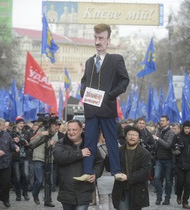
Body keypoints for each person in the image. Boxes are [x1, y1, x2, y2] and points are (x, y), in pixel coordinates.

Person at [76, 23, 129, 181]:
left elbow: (124, 81)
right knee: (90, 141)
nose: (97, 41)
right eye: (95, 37)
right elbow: (84, 81)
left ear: (108, 40)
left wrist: (110, 96)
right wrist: (83, 92)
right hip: (91, 108)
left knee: (111, 139)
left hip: (107, 107)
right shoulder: (89, 62)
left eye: (101, 38)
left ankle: (116, 171)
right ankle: (87, 171)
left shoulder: (116, 59)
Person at [53, 120, 103, 210]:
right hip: (67, 190)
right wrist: (80, 154)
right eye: (69, 130)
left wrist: (95, 174)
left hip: (84, 190)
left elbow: (99, 162)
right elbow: (59, 157)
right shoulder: (61, 143)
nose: (71, 132)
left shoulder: (89, 144)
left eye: (74, 130)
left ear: (81, 130)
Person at [112, 126, 152, 210]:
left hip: (137, 190)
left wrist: (128, 177)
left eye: (135, 135)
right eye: (129, 134)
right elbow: (110, 167)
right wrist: (109, 155)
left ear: (139, 138)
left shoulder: (144, 153)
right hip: (121, 189)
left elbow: (145, 171)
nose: (132, 137)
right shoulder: (119, 151)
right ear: (126, 136)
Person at [0, 118, 19, 210]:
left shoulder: (6, 134)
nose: (5, 126)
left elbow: (11, 145)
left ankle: (5, 198)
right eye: (2, 125)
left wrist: (15, 147)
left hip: (6, 163)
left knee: (6, 183)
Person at [29, 119, 59, 207]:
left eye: (58, 125)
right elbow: (32, 143)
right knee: (39, 180)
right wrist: (41, 135)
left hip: (49, 159)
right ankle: (35, 194)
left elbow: (54, 147)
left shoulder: (56, 135)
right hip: (38, 157)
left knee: (49, 181)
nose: (57, 127)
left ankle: (48, 200)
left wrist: (52, 145)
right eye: (55, 125)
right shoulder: (41, 131)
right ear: (51, 125)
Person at [152, 115, 175, 205]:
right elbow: (155, 144)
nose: (161, 122)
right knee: (156, 178)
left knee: (168, 180)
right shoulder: (158, 130)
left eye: (163, 120)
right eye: (160, 120)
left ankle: (167, 198)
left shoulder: (171, 132)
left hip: (168, 159)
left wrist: (157, 139)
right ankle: (159, 197)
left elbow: (168, 145)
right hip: (158, 159)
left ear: (168, 122)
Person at [10, 116, 31, 202]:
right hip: (15, 158)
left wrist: (25, 143)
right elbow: (9, 144)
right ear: (16, 124)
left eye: (23, 123)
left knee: (26, 175)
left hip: (25, 157)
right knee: (17, 177)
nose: (22, 124)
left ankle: (25, 193)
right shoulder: (12, 133)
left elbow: (29, 143)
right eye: (20, 123)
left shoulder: (26, 133)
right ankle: (18, 194)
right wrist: (14, 142)